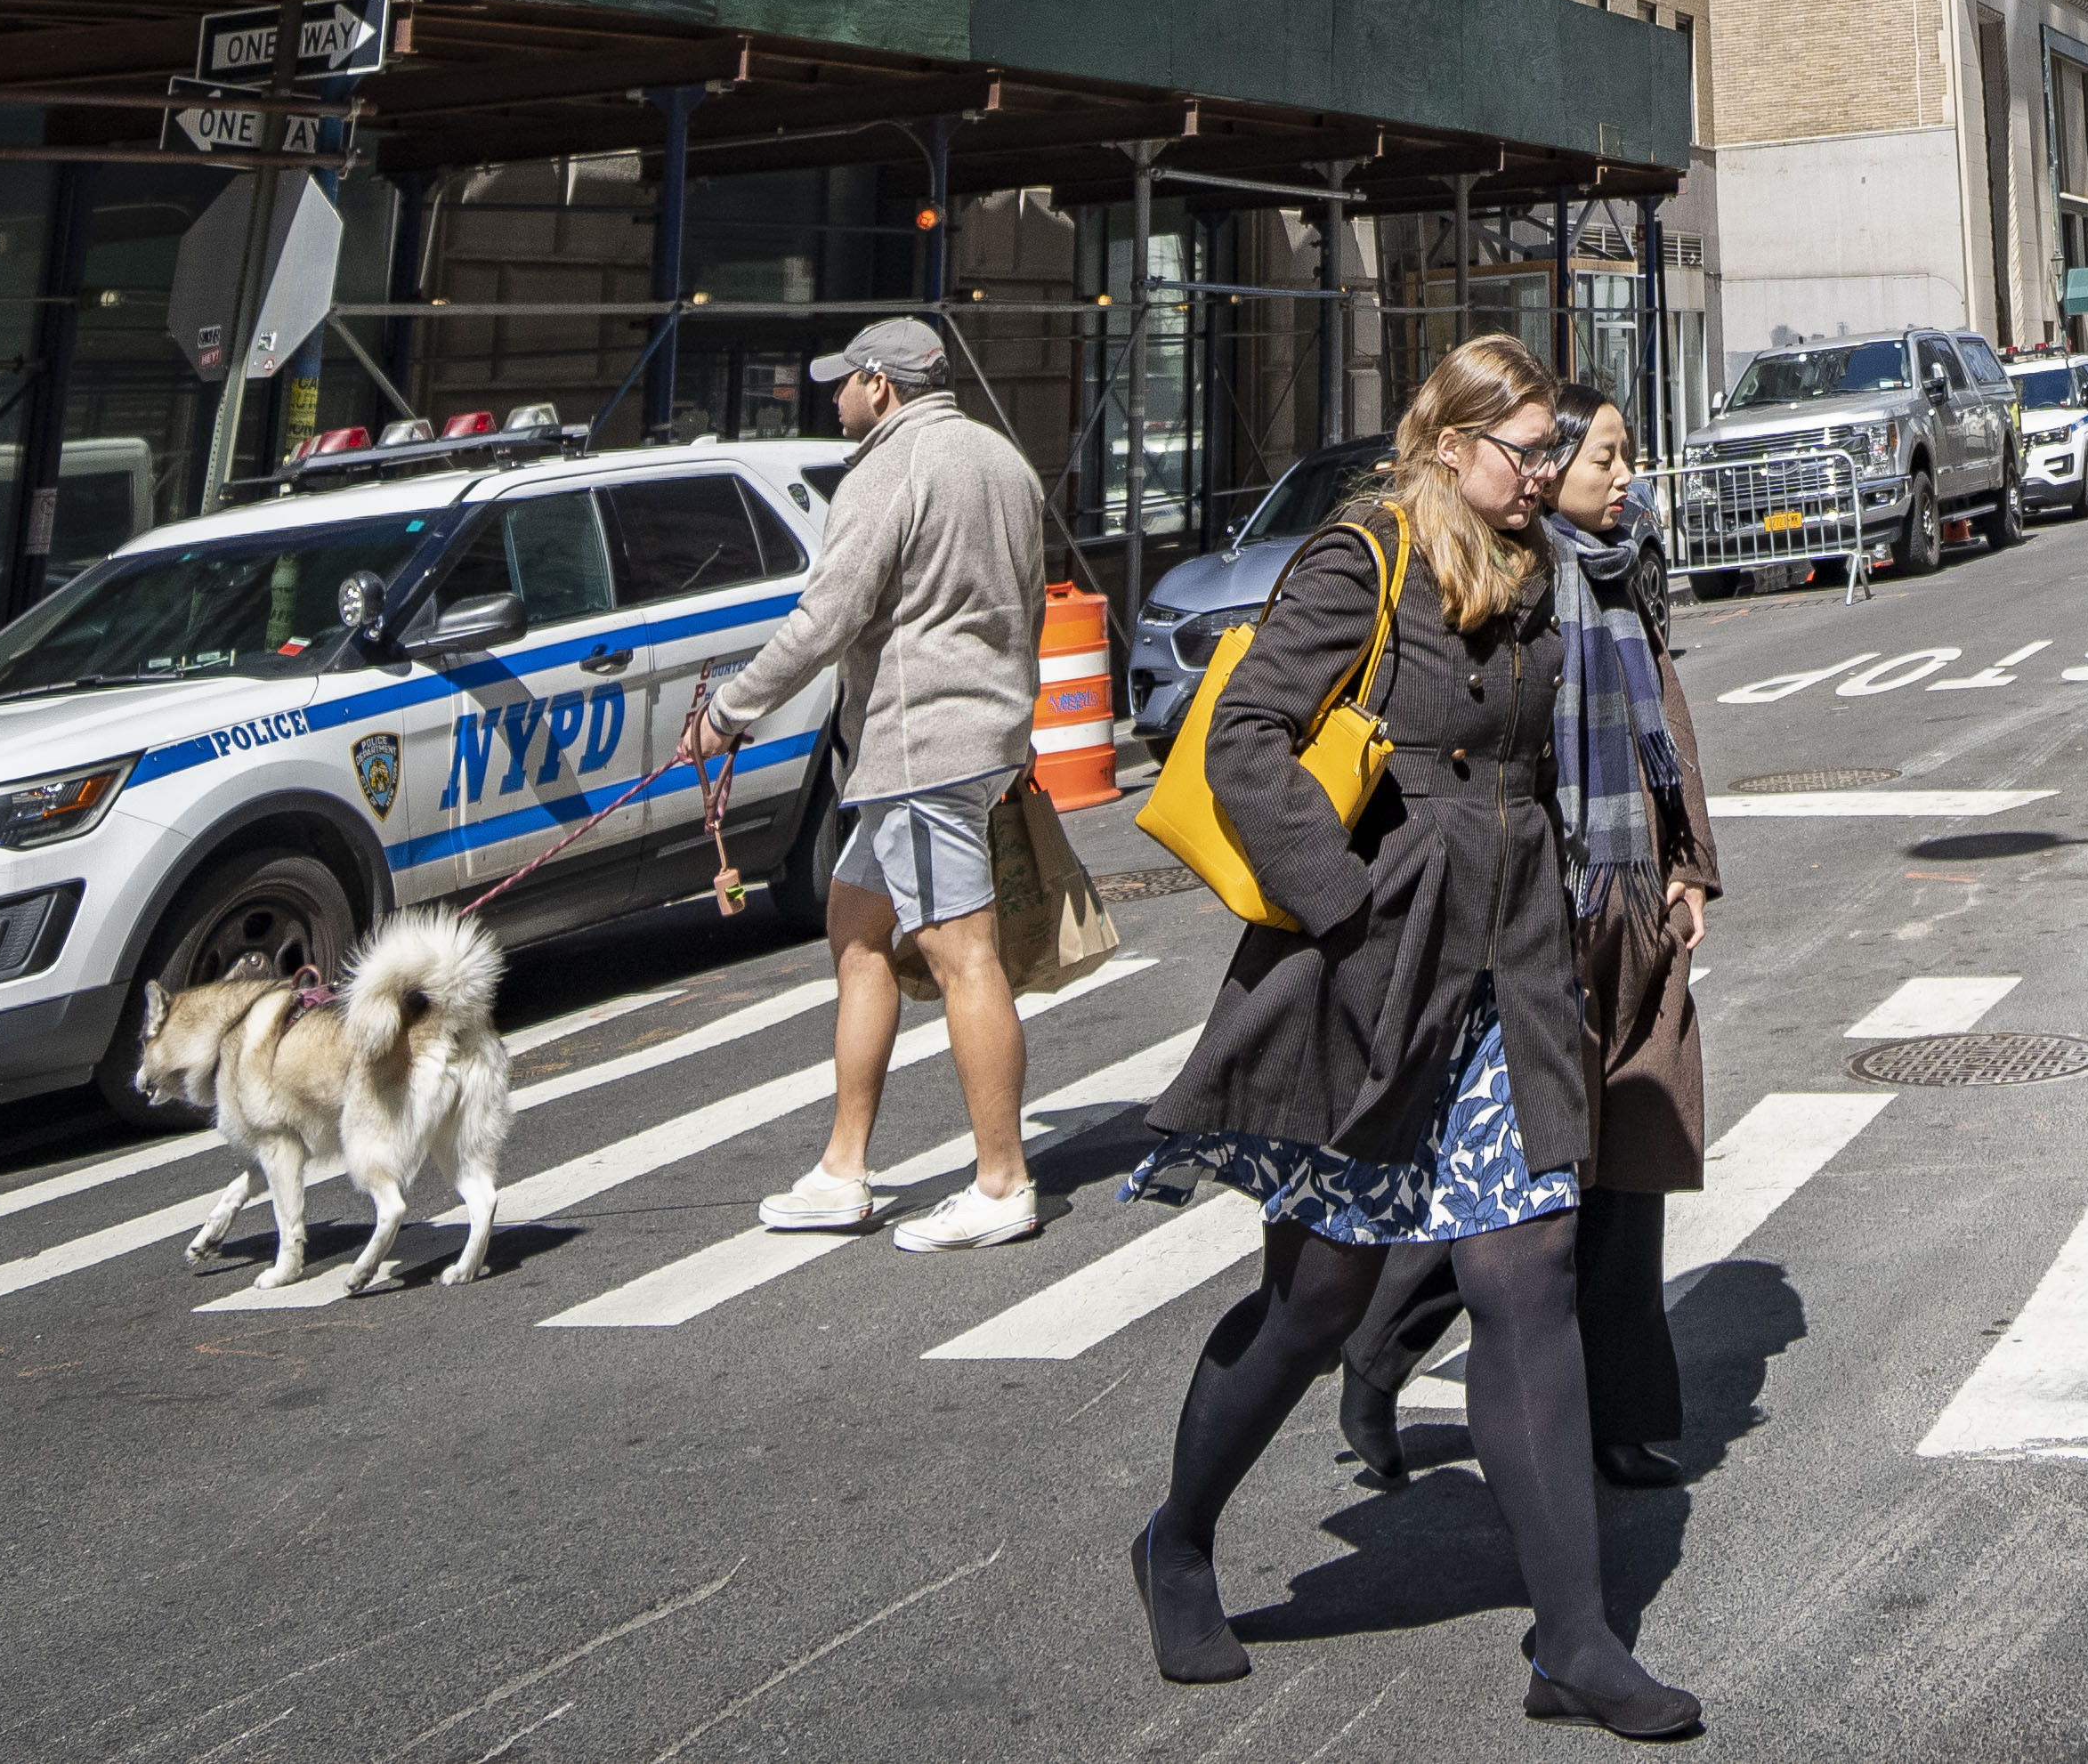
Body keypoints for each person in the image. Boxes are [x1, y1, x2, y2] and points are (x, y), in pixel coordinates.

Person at [1129, 339, 1694, 1739]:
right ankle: (1178, 1539)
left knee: (1529, 1272)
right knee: (1318, 1299)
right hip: (1374, 969)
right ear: (1447, 444)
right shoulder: (1362, 555)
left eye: (1556, 452)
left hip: (1511, 964)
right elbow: (1242, 739)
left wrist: (1659, 869)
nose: (1544, 477)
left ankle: (1574, 1643)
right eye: (1526, 453)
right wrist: (1338, 900)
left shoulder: (1539, 567)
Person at [1339, 383, 1714, 1493]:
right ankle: (1377, 1350)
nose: (1619, 475)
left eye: (1616, 455)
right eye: (1604, 454)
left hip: (1630, 903)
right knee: (1533, 1174)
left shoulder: (1623, 567)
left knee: (1628, 1166)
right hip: (1536, 908)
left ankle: (1618, 1417)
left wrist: (1690, 866)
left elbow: (1668, 729)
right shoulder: (1512, 569)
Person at [696, 313, 1057, 1246]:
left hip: (917, 752)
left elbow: (826, 618)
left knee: (961, 954)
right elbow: (1030, 607)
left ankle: (1002, 1181)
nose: (834, 397)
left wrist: (730, 711)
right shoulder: (1003, 461)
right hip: (968, 741)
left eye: (843, 383)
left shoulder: (884, 470)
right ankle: (842, 1168)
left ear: (881, 384)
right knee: (857, 932)